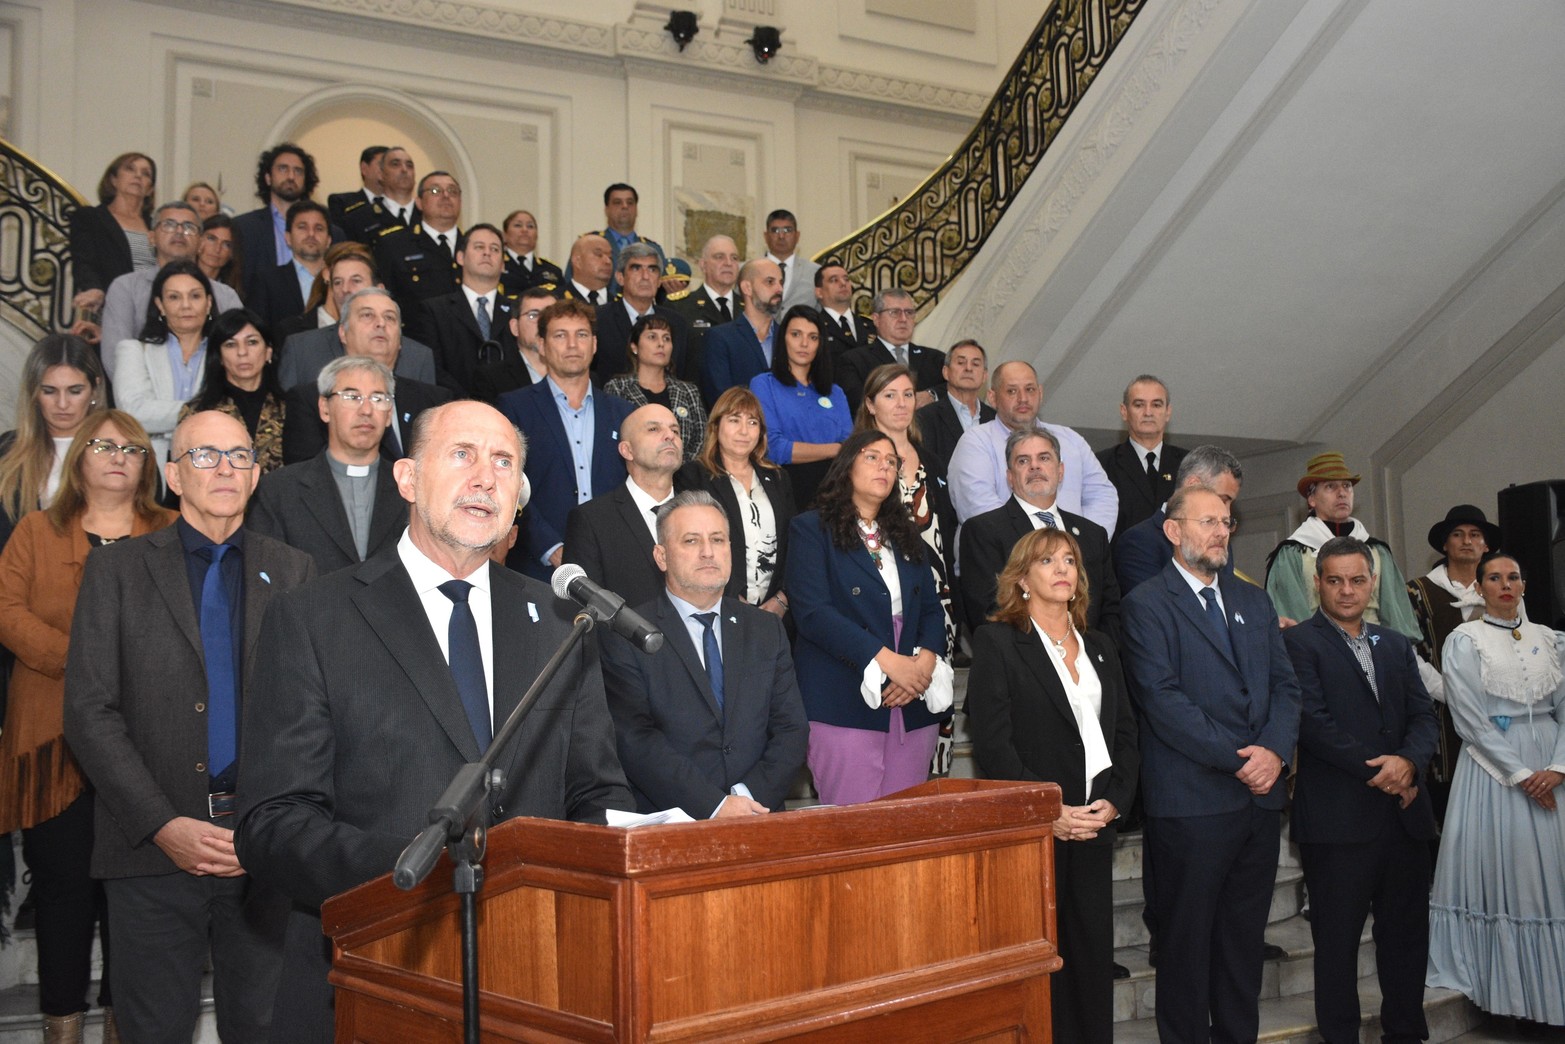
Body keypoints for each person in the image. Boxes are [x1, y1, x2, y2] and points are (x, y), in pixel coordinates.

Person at [235, 400, 633, 1043]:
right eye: (462, 454)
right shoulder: (315, 618)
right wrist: (421, 874)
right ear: (407, 480)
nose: (485, 477)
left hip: (537, 978)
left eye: (503, 462)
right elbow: (272, 824)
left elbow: (596, 790)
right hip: (377, 970)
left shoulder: (561, 623)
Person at [63, 410, 315, 1043]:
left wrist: (267, 819)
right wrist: (161, 824)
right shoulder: (116, 571)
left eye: (238, 456)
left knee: (264, 1028)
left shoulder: (295, 574)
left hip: (263, 851)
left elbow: (313, 716)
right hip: (148, 849)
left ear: (257, 476)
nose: (225, 468)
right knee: (155, 1031)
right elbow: (89, 712)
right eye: (205, 456)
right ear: (173, 475)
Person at [0, 411, 174, 1043]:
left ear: (147, 465)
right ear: (80, 459)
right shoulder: (36, 531)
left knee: (134, 899)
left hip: (149, 742)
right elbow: (6, 610)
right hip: (54, 741)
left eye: (132, 448)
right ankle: (61, 1028)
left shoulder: (171, 531)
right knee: (62, 892)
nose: (117, 456)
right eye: (104, 445)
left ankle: (123, 1026)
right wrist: (83, 661)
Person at [1120, 483, 1300, 1043]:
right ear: (1174, 532)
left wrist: (1273, 751)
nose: (1221, 531)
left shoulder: (1254, 599)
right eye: (1208, 522)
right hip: (1192, 803)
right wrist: (1241, 759)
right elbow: (1164, 701)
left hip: (1258, 802)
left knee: (1243, 946)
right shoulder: (1145, 603)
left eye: (1226, 521)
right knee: (1186, 947)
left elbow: (1286, 687)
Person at [967, 527, 1138, 1044]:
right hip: (1037, 830)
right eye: (1047, 561)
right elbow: (994, 745)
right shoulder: (998, 641)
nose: (1063, 568)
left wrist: (1114, 803)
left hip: (1095, 823)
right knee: (1046, 966)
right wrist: (1048, 810)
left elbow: (1127, 734)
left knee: (1092, 964)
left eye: (1069, 560)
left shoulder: (1101, 646)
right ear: (1022, 579)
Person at [1284, 536, 1439, 1044]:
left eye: (1356, 580)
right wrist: (1384, 771)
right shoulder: (1299, 643)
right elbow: (1313, 722)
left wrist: (1410, 765)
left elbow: (1424, 715)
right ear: (1318, 584)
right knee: (1336, 946)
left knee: (1407, 942)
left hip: (1404, 819)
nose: (1346, 591)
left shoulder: (1395, 644)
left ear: (1372, 583)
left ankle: (1406, 1034)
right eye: (1335, 581)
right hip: (1338, 823)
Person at [600, 490, 808, 819]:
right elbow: (635, 739)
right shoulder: (629, 633)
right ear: (662, 556)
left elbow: (791, 729)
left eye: (718, 539)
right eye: (691, 541)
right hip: (674, 822)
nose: (708, 552)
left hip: (760, 815)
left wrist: (745, 798)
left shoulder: (766, 629)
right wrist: (715, 805)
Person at [1426, 552, 1565, 1029]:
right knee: (1517, 876)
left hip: (1553, 765)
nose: (1505, 585)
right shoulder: (1466, 640)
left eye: (1513, 577)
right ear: (1479, 588)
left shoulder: (1551, 639)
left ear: (1524, 585)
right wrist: (1524, 776)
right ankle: (1516, 1000)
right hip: (1495, 771)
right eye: (1494, 578)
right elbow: (1469, 721)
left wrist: (1558, 767)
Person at [786, 429, 950, 804]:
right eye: (872, 457)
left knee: (906, 829)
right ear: (846, 467)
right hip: (843, 695)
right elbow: (813, 613)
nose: (884, 467)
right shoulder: (811, 528)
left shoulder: (907, 533)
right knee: (852, 831)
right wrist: (890, 662)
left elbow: (930, 607)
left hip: (912, 699)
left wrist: (921, 666)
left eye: (892, 461)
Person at [497, 298, 634, 580]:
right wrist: (550, 547)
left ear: (594, 345)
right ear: (543, 346)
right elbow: (509, 485)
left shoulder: (623, 412)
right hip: (540, 566)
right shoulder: (514, 408)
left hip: (614, 563)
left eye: (581, 335)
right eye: (560, 335)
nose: (572, 345)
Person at [246, 357, 404, 573]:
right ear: (324, 408)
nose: (366, 410)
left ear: (389, 414)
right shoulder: (277, 491)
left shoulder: (412, 489)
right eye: (352, 396)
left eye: (378, 398)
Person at [959, 428, 1119, 641]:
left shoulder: (1092, 534)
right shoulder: (983, 531)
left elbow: (1110, 610)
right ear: (1010, 477)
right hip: (1021, 664)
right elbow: (989, 613)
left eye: (1044, 458)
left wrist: (1090, 654)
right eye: (1023, 461)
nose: (1035, 466)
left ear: (1060, 471)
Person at [856, 363, 957, 669]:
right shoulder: (856, 460)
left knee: (935, 692)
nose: (901, 403)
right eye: (890, 395)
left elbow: (947, 530)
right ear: (871, 405)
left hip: (937, 596)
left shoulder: (932, 461)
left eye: (908, 394)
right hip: (884, 596)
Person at [280, 287, 452, 465]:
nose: (380, 324)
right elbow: (302, 477)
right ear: (343, 333)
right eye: (367, 315)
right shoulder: (312, 399)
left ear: (400, 341)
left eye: (389, 317)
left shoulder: (434, 402)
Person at [1407, 504, 1501, 825]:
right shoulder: (1417, 591)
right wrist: (1449, 691)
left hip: (1494, 718)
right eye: (1457, 534)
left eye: (1475, 535)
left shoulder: (1502, 592)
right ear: (1445, 545)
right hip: (1436, 718)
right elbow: (1408, 654)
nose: (1466, 541)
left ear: (1486, 546)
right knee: (1444, 816)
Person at [947, 361, 1118, 537]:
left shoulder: (1070, 440)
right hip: (1006, 558)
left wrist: (1084, 543)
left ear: (1040, 393)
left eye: (1030, 389)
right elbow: (980, 509)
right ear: (992, 397)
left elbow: (1102, 495)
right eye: (1012, 391)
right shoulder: (975, 442)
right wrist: (1041, 550)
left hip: (1072, 557)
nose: (1023, 398)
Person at [1264, 451, 1421, 639]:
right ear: (1311, 499)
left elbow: (1397, 618)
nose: (1342, 493)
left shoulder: (1377, 550)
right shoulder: (1293, 553)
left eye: (1347, 486)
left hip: (1376, 651)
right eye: (1330, 486)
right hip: (1319, 653)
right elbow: (1291, 618)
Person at [675, 387, 795, 613]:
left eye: (752, 422)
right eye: (734, 420)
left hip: (776, 610)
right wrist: (731, 599)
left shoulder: (778, 478)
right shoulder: (693, 476)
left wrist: (782, 598)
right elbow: (691, 545)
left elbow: (793, 543)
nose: (744, 431)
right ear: (716, 426)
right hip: (717, 604)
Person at [564, 403, 683, 610]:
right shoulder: (592, 520)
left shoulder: (703, 513)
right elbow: (584, 610)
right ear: (627, 450)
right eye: (654, 429)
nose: (669, 436)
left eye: (675, 430)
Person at [98, 201, 242, 371]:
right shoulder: (126, 288)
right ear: (151, 237)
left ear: (200, 242)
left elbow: (239, 353)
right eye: (169, 225)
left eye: (189, 227)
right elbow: (115, 357)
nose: (179, 231)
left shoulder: (225, 296)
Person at [0, 335, 107, 542]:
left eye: (75, 391)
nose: (62, 404)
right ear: (33, 392)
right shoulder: (6, 449)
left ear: (95, 388)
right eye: (49, 391)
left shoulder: (122, 449)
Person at [114, 260, 216, 467]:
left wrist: (163, 418)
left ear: (209, 303)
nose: (186, 305)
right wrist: (201, 410)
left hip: (210, 462)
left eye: (195, 296)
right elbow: (134, 413)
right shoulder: (134, 351)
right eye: (174, 297)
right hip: (150, 466)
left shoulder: (224, 352)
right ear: (160, 305)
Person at [750, 305, 849, 508]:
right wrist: (835, 449)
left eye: (813, 337)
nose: (804, 343)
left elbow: (850, 448)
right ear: (782, 338)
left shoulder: (835, 392)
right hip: (787, 490)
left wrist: (840, 450)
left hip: (836, 492)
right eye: (796, 334)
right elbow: (774, 448)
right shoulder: (764, 384)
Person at [405, 221, 516, 396]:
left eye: (495, 249)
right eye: (479, 247)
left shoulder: (516, 311)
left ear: (503, 264)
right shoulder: (434, 310)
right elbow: (433, 367)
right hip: (453, 407)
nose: (487, 253)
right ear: (460, 257)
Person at [178, 308, 286, 474]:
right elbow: (184, 473)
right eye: (230, 344)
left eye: (252, 342)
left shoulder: (290, 406)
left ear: (268, 351)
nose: (242, 352)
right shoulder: (197, 412)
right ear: (219, 356)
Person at [69, 153, 157, 339]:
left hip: (151, 316)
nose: (138, 176)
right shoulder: (90, 218)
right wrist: (93, 288)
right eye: (130, 169)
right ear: (114, 179)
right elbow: (84, 262)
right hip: (111, 314)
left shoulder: (157, 226)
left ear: (150, 189)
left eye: (146, 173)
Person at [1096, 374, 1187, 540]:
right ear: (1124, 411)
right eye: (1139, 405)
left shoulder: (1188, 464)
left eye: (1156, 405)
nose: (1148, 412)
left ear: (1168, 412)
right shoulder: (1101, 465)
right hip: (1124, 563)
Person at [605, 314, 706, 461]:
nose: (661, 344)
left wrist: (679, 471)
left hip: (685, 477)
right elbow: (615, 438)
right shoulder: (617, 389)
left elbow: (701, 440)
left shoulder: (688, 391)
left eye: (666, 338)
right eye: (652, 337)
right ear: (634, 347)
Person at [593, 241, 691, 379]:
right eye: (636, 268)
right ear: (620, 278)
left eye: (652, 269)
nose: (645, 277)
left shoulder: (677, 323)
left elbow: (682, 375)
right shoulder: (598, 319)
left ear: (659, 281)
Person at [837, 289, 945, 413]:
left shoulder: (935, 358)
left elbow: (961, 389)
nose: (904, 319)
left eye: (909, 312)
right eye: (895, 312)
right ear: (876, 319)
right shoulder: (854, 361)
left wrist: (932, 395)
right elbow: (858, 406)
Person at [699, 258, 783, 403]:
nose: (779, 289)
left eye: (781, 282)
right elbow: (721, 398)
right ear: (747, 288)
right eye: (770, 282)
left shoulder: (787, 336)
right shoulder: (721, 338)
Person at [914, 339, 992, 472]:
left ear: (984, 376)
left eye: (976, 364)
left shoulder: (995, 418)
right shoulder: (925, 418)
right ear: (946, 372)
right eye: (961, 363)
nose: (968, 368)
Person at [762, 208, 820, 313]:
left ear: (797, 236)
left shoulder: (815, 272)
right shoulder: (749, 270)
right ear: (766, 236)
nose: (781, 236)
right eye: (775, 230)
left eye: (787, 230)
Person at [498, 208, 563, 292]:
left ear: (536, 235)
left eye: (530, 226)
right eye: (518, 225)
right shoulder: (497, 265)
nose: (525, 230)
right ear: (504, 235)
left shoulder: (553, 270)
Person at [195, 214, 244, 299]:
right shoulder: (176, 278)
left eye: (226, 244)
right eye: (211, 239)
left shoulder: (230, 295)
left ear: (232, 253)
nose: (217, 249)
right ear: (198, 239)